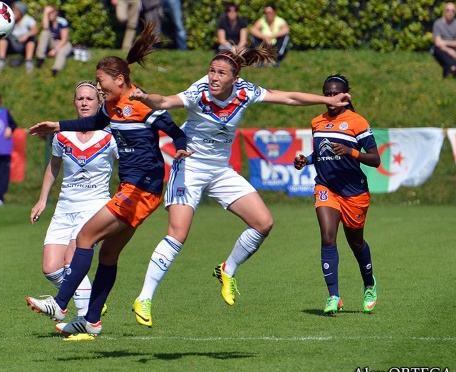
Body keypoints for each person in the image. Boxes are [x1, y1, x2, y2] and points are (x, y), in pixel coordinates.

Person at [127, 45, 352, 327]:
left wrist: (326, 100)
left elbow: (289, 98)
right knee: (178, 234)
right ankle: (145, 297)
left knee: (263, 222)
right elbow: (164, 102)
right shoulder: (199, 93)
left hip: (220, 170)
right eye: (211, 70)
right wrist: (146, 97)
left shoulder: (245, 92)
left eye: (221, 73)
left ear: (235, 79)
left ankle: (227, 269)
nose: (213, 76)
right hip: (190, 167)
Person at [25, 22, 191, 338]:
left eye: (101, 82)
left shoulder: (141, 103)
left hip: (143, 190)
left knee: (85, 237)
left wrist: (181, 149)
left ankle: (60, 305)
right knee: (108, 254)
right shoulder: (113, 106)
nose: (98, 88)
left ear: (119, 80)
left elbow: (176, 132)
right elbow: (93, 120)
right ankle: (92, 321)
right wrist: (57, 125)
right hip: (134, 189)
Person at [293, 75, 380, 315]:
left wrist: (351, 152)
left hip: (354, 193)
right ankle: (334, 296)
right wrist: (306, 160)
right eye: (327, 94)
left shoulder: (357, 122)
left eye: (336, 94)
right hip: (326, 187)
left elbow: (375, 159)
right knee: (328, 237)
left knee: (356, 242)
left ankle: (369, 284)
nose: (331, 99)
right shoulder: (317, 122)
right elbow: (321, 152)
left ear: (345, 96)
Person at [30, 81, 118, 318]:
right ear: (74, 102)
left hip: (94, 206)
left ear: (100, 102)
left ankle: (84, 321)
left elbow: (129, 166)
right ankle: (86, 297)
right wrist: (42, 200)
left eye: (90, 98)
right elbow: (54, 166)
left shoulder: (110, 136)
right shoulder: (62, 135)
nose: (84, 103)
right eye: (80, 98)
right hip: (65, 206)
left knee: (72, 258)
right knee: (50, 268)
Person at [0, 1, 38, 72]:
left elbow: (35, 30)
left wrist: (26, 35)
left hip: (24, 44)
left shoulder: (28, 19)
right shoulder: (9, 18)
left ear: (21, 11)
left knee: (32, 39)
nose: (13, 12)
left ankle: (28, 61)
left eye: (16, 10)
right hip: (12, 43)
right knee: (3, 37)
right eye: (13, 10)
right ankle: (1, 60)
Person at [35, 5, 73, 76]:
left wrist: (55, 50)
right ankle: (40, 59)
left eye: (51, 12)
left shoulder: (62, 22)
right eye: (48, 13)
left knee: (62, 51)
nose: (50, 14)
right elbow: (45, 28)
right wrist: (45, 13)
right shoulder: (46, 21)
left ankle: (56, 69)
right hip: (51, 42)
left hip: (62, 43)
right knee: (44, 33)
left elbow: (64, 39)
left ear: (56, 12)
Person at [431, 2, 456, 78]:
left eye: (453, 11)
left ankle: (446, 74)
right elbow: (437, 43)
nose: (450, 13)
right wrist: (449, 50)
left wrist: (444, 42)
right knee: (441, 52)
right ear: (444, 11)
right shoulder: (438, 23)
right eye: (448, 10)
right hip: (440, 48)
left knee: (447, 54)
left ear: (455, 13)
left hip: (453, 47)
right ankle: (454, 67)